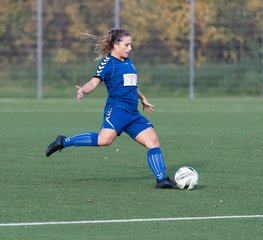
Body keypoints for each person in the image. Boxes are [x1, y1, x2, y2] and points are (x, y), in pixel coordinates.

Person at [46, 29, 176, 189]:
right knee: (104, 140)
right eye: (127, 45)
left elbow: (131, 84)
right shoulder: (108, 63)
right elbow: (93, 82)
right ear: (116, 44)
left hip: (132, 114)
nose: (130, 48)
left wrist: (143, 98)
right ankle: (63, 141)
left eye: (131, 45)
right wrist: (83, 90)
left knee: (153, 141)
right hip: (117, 110)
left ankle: (162, 180)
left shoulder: (128, 62)